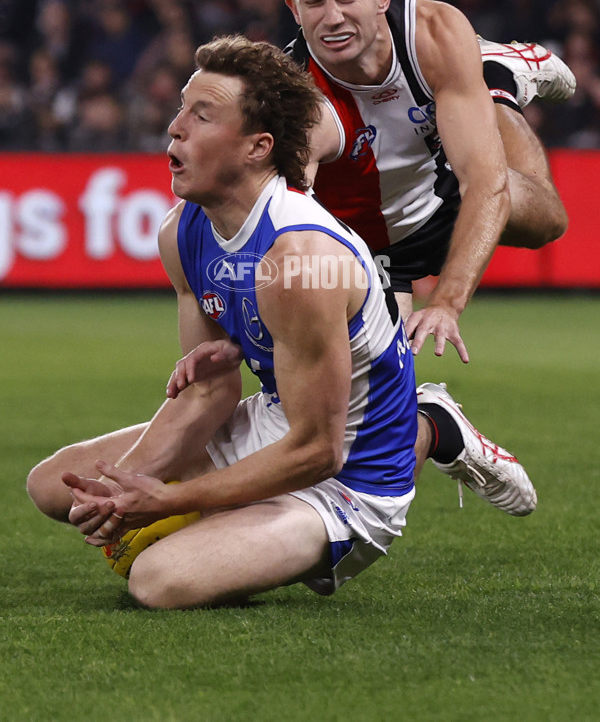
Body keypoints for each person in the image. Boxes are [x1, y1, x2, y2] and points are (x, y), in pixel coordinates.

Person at [26, 35, 534, 610]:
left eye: (201, 115)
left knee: (159, 580)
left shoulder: (300, 260)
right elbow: (209, 393)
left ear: (257, 147)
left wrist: (169, 500)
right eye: (181, 109)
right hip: (278, 420)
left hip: (352, 472)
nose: (174, 128)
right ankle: (237, 514)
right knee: (54, 488)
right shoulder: (182, 231)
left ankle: (428, 426)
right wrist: (118, 491)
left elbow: (318, 452)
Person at [277, 0, 574, 362]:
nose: (332, 17)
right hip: (368, 245)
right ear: (294, 8)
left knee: (548, 221)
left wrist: (446, 303)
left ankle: (498, 81)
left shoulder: (433, 35)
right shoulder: (292, 96)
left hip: (441, 188)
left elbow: (485, 184)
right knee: (376, 390)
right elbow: (284, 222)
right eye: (314, 0)